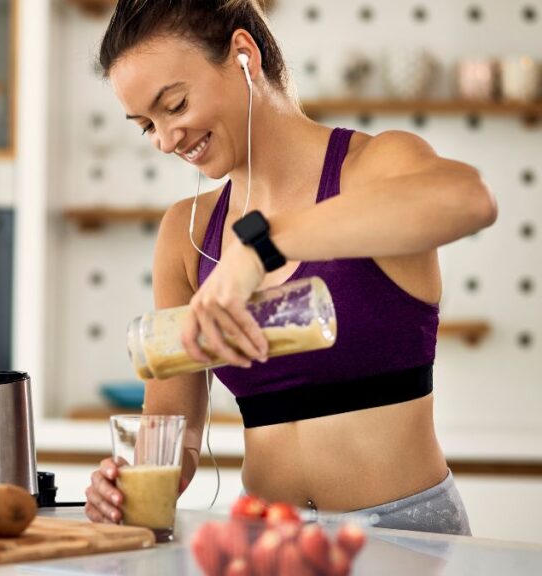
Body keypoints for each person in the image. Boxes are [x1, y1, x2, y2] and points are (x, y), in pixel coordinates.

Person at [84, 0, 496, 535]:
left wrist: (261, 248)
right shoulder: (187, 231)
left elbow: (469, 199)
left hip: (406, 537)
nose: (166, 140)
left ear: (242, 53)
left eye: (176, 105)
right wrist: (130, 481)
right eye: (146, 126)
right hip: (265, 538)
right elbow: (175, 432)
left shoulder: (372, 168)